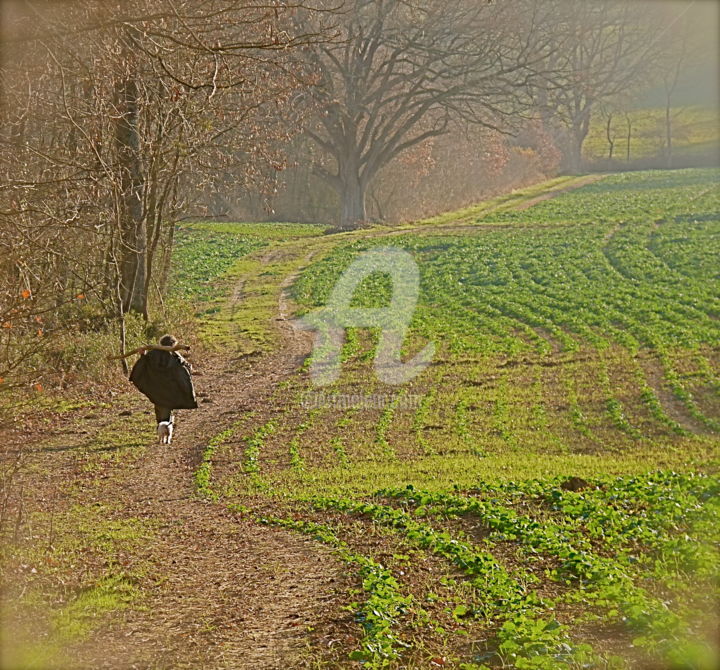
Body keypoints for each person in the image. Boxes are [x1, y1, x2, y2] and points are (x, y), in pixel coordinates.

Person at [129, 334, 198, 436]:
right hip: (170, 388)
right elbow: (184, 368)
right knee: (166, 407)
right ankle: (165, 428)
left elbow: (142, 366)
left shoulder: (152, 354)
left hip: (156, 388)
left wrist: (143, 355)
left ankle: (162, 427)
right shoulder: (174, 355)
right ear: (173, 344)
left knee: (159, 405)